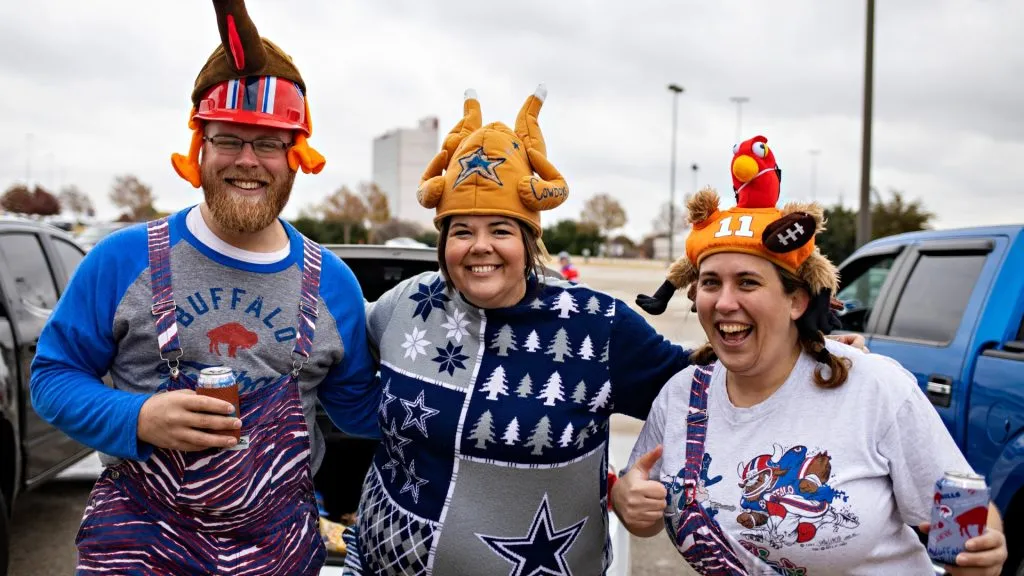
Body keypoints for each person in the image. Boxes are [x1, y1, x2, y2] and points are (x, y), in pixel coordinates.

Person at [342, 94, 864, 575]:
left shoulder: (596, 323)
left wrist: (810, 350)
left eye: (500, 230)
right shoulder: (403, 305)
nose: (480, 247)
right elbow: (338, 374)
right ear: (443, 242)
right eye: (462, 231)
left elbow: (710, 384)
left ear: (529, 240)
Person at [29, 2, 379, 574]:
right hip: (139, 542)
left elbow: (364, 411)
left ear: (296, 154)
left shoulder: (333, 283)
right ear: (200, 146)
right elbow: (51, 377)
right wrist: (138, 417)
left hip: (277, 550)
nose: (249, 160)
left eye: (269, 142)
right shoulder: (122, 259)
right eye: (229, 139)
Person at [612, 136, 1008, 575]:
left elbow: (965, 508)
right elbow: (641, 500)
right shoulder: (682, 396)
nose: (724, 302)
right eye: (710, 283)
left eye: (747, 282)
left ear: (797, 301)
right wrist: (627, 502)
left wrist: (982, 552)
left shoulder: (871, 386)